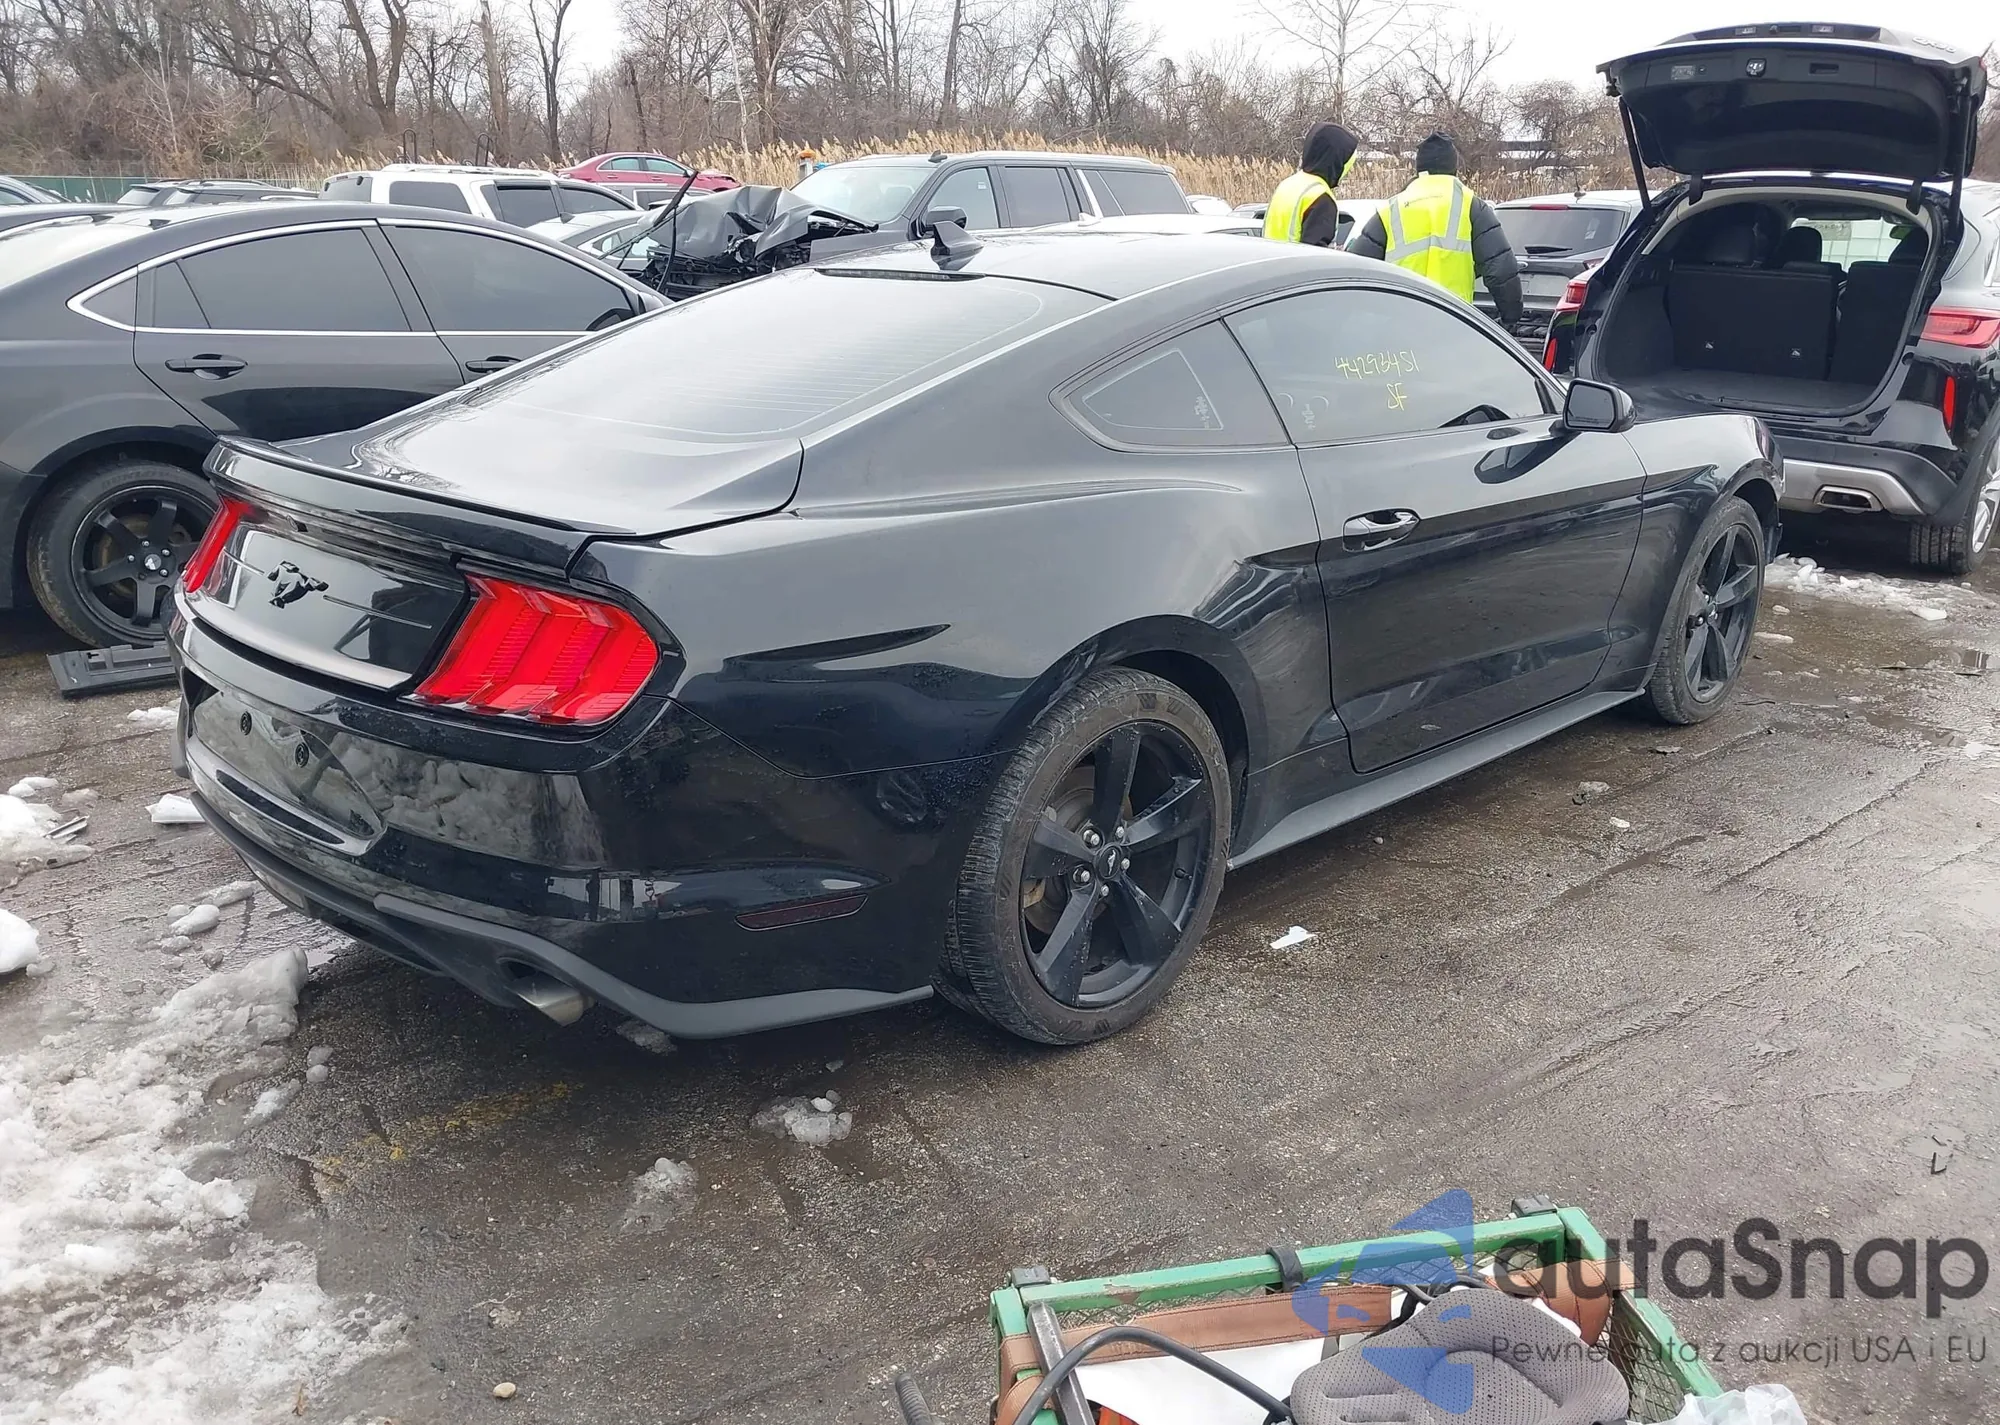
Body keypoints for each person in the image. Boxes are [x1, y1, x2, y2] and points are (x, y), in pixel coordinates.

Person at [1348, 132, 1522, 325]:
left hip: (1400, 322)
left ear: (1419, 168)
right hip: (1454, 319)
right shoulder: (1470, 205)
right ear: (1454, 167)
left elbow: (1355, 270)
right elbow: (1501, 268)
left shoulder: (1392, 208)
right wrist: (1510, 317)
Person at [1263, 122, 1359, 247]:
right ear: (1337, 160)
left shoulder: (1286, 185)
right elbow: (1316, 251)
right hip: (1299, 260)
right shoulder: (1320, 196)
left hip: (1270, 258)